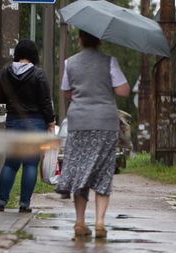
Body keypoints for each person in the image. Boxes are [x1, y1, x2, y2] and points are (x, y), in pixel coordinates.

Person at [55, 30, 130, 238]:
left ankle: (79, 222)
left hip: (78, 122)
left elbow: (67, 93)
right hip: (105, 123)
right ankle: (99, 223)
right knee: (103, 170)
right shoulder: (109, 61)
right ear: (100, 40)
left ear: (80, 40)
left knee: (80, 168)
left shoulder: (70, 62)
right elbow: (123, 91)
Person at [0, 39, 56, 213]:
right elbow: (45, 102)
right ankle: (24, 205)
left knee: (10, 163)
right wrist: (51, 123)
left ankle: (1, 202)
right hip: (35, 122)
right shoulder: (39, 74)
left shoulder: (5, 72)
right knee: (30, 164)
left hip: (13, 120)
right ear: (33, 55)